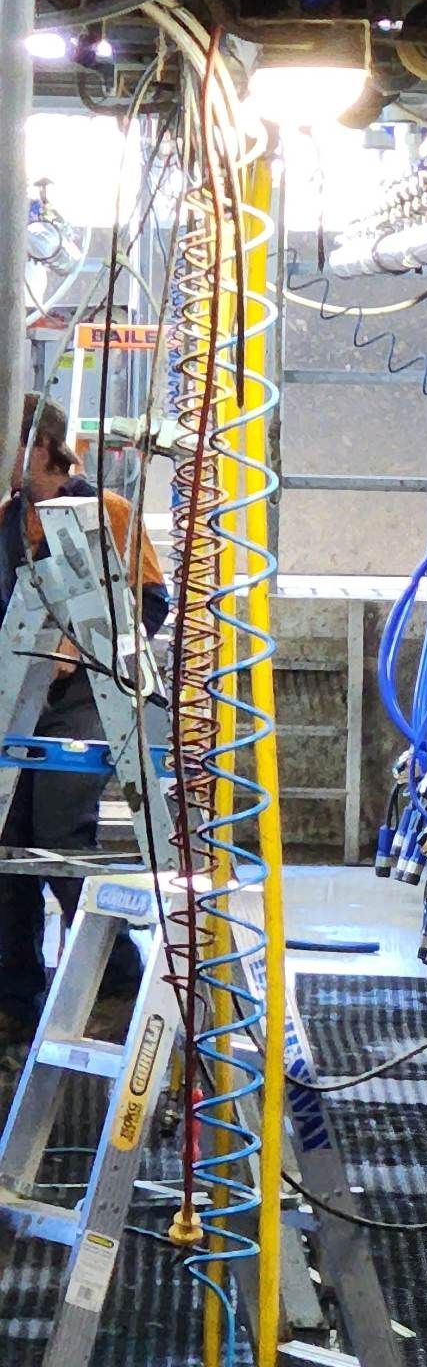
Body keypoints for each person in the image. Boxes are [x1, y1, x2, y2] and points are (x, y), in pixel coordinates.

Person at [0, 394, 170, 1062]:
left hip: (89, 694)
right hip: (21, 693)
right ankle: (14, 1000)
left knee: (58, 830)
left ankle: (116, 981)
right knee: (6, 834)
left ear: (40, 448)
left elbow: (151, 603)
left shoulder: (108, 514)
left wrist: (83, 649)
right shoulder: (7, 522)